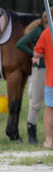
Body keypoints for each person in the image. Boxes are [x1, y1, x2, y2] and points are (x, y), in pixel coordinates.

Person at [17, 9, 51, 144]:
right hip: (40, 70)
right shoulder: (39, 31)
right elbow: (20, 43)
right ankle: (32, 134)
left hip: (49, 70)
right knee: (36, 103)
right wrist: (34, 54)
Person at [33, 18, 53, 149]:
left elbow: (36, 52)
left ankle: (48, 141)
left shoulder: (47, 32)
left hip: (51, 79)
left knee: (49, 109)